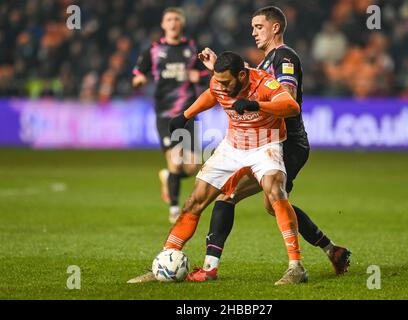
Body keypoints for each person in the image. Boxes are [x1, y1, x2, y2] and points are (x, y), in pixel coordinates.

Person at [187, 6, 351, 281]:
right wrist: (218, 67)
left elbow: (285, 97)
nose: (253, 32)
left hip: (286, 141)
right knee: (271, 202)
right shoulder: (265, 63)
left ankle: (215, 268)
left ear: (275, 28)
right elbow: (244, 80)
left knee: (231, 195)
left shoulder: (284, 57)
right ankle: (331, 250)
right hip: (270, 141)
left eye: (258, 26)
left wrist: (253, 104)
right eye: (252, 27)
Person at [129, 51, 308, 285]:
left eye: (227, 82)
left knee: (275, 191)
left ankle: (296, 267)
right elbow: (211, 94)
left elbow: (291, 106)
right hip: (232, 146)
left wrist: (256, 104)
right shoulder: (219, 82)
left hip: (265, 144)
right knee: (195, 201)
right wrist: (185, 115)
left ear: (242, 75)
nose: (221, 86)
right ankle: (165, 261)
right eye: (219, 81)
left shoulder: (264, 82)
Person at [132, 7, 209, 223]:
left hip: (189, 113)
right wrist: (139, 80)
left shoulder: (192, 49)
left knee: (192, 167)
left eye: (176, 19)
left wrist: (199, 76)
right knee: (175, 161)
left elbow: (207, 75)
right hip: (166, 115)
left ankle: (167, 177)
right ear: (163, 25)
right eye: (169, 19)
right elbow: (138, 72)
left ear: (181, 23)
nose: (173, 23)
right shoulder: (154, 50)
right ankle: (175, 209)